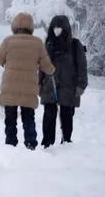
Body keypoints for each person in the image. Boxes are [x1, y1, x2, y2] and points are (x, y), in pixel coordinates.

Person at [0, 12, 55, 150]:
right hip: (28, 86)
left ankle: (10, 143)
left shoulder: (8, 41)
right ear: (31, 27)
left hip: (10, 86)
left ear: (15, 26)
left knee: (10, 118)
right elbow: (47, 66)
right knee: (28, 118)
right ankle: (30, 143)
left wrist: (7, 63)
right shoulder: (37, 43)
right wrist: (52, 70)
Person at [40, 15, 88, 147]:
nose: (57, 30)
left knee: (67, 115)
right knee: (49, 115)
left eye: (59, 28)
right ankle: (47, 143)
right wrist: (39, 83)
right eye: (54, 27)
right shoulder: (48, 45)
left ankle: (66, 141)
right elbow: (41, 66)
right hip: (50, 86)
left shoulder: (74, 45)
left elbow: (82, 67)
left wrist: (81, 85)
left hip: (68, 86)